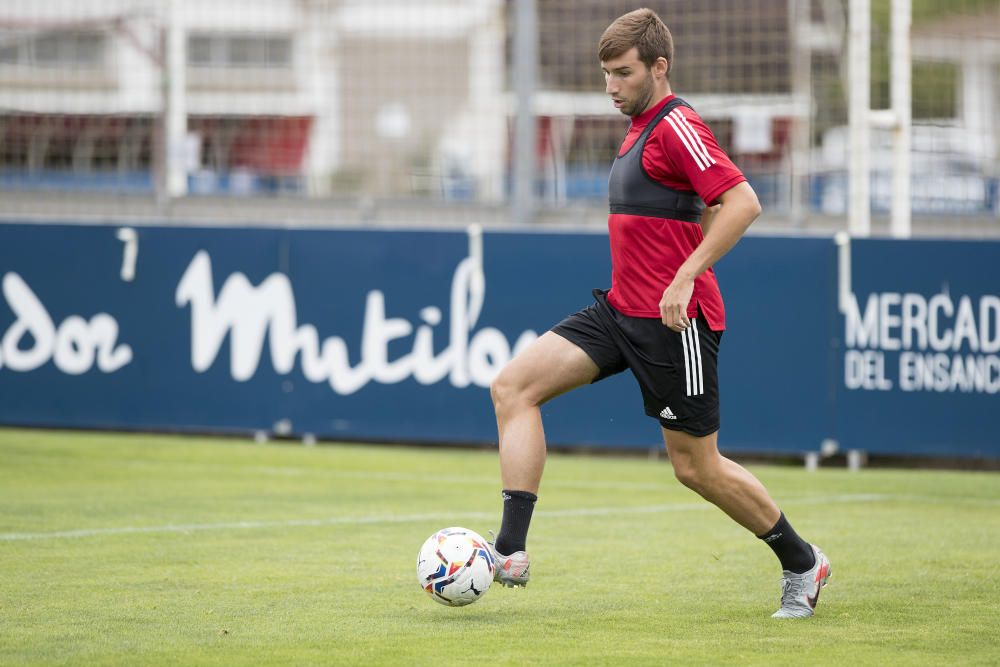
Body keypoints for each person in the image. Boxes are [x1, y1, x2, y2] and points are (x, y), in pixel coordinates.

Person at [487, 8, 830, 619]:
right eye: (606, 75)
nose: (611, 86)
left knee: (696, 468)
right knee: (513, 386)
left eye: (623, 73)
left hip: (678, 323)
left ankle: (803, 564)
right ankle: (510, 551)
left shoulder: (678, 124)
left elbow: (742, 202)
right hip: (621, 311)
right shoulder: (636, 126)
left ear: (658, 67)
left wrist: (685, 274)